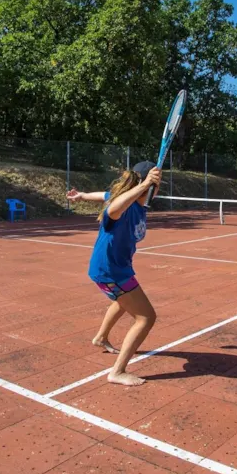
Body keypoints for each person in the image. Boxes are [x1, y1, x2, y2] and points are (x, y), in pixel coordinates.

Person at [66, 161, 162, 386]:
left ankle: (100, 337)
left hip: (117, 269)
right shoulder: (123, 206)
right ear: (145, 185)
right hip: (110, 271)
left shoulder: (135, 202)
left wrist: (82, 195)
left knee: (123, 301)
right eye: (156, 184)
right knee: (146, 317)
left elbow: (104, 195)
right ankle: (117, 372)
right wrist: (146, 184)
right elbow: (113, 207)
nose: (159, 188)